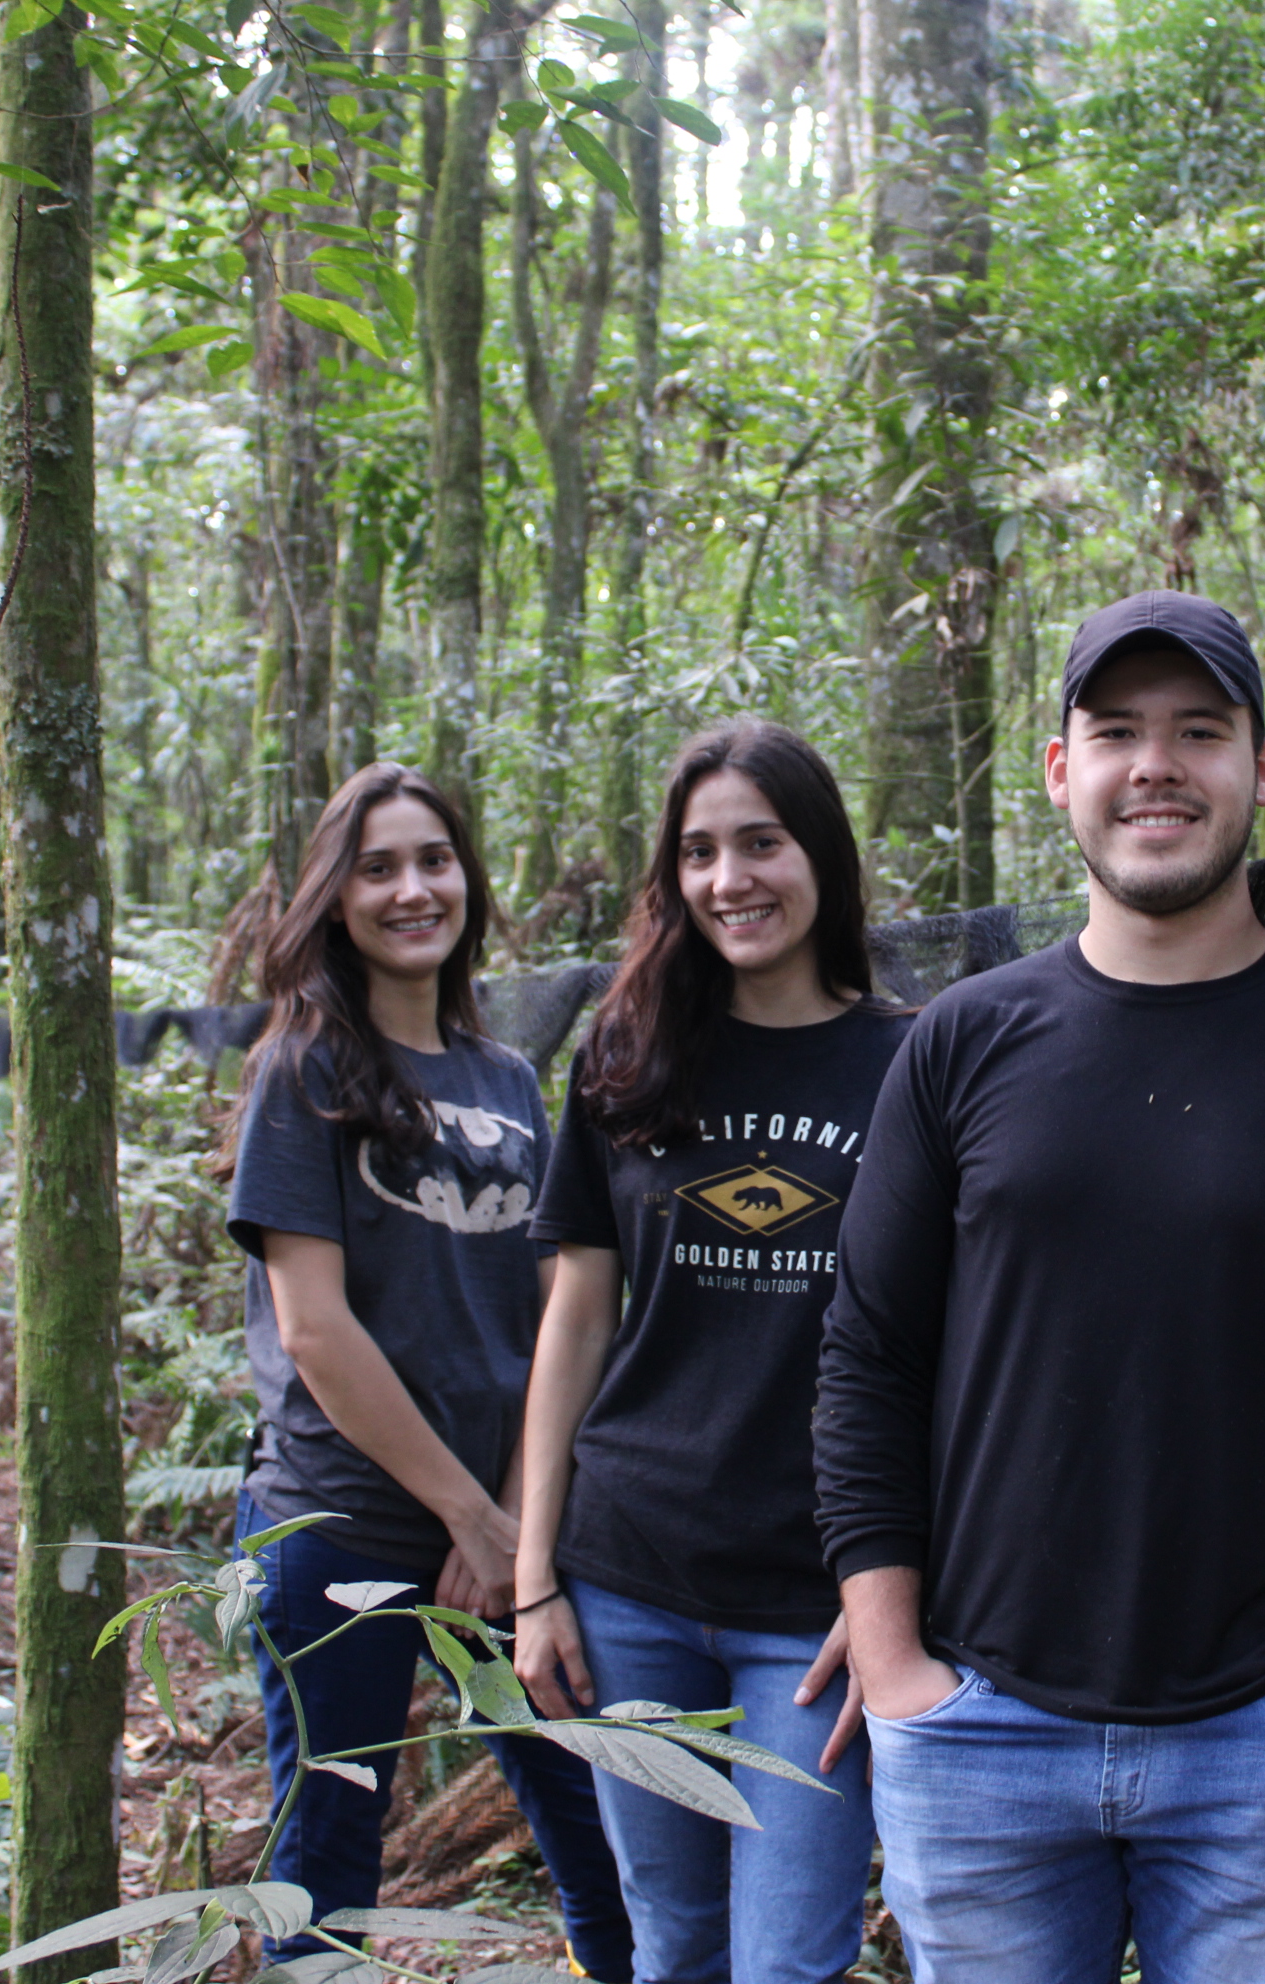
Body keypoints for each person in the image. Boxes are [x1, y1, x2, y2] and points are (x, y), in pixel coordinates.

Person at [812, 590, 1265, 1983]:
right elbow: (867, 1360)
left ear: (1264, 767)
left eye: (1199, 731)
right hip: (981, 1730)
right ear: (1058, 769)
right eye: (1117, 732)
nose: (1156, 766)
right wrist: (896, 1671)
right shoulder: (959, 1046)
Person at [215, 761, 634, 1979]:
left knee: (600, 1828)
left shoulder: (504, 1077)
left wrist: (509, 1516)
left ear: (468, 881)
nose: (413, 890)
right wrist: (466, 1512)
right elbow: (313, 1329)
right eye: (378, 868)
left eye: (434, 861)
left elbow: (557, 1313)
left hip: (508, 1535)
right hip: (337, 1524)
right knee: (327, 1863)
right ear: (334, 899)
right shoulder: (303, 1070)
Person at [512, 720, 906, 1984]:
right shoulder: (628, 1053)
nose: (730, 878)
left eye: (761, 843)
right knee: (674, 1946)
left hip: (817, 1602)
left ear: (822, 855)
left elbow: (953, 1348)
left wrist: (900, 1592)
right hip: (630, 1577)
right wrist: (534, 1579)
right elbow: (577, 1320)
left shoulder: (913, 1061)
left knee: (790, 1959)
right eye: (698, 851)